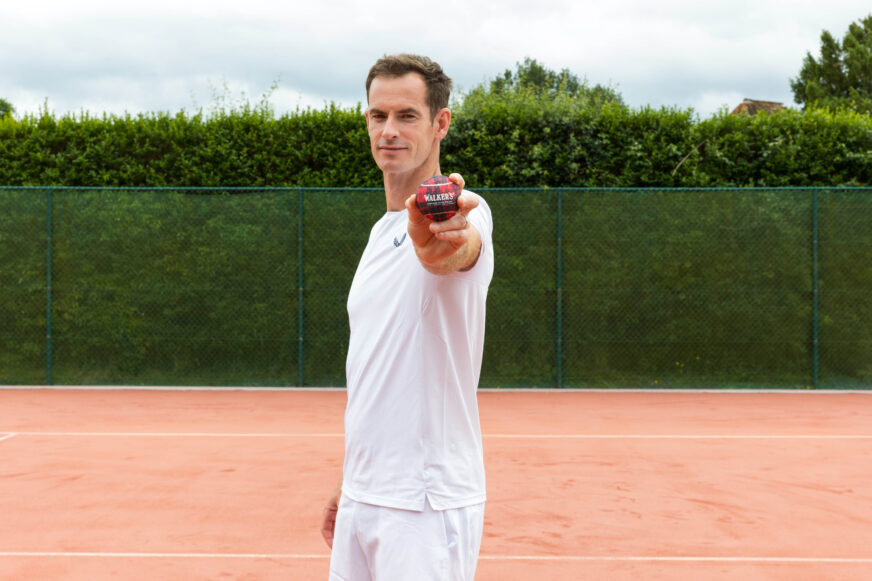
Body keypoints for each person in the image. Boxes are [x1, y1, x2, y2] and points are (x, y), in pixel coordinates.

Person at [320, 54, 494, 581]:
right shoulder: (379, 233)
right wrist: (350, 478)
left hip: (424, 504)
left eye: (407, 116)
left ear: (441, 123)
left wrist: (444, 240)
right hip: (366, 493)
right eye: (378, 116)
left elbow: (455, 250)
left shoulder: (463, 211)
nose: (389, 131)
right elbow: (380, 373)